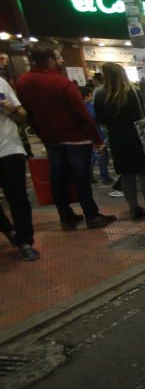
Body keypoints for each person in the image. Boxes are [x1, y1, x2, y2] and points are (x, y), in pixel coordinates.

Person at [15, 46, 115, 230]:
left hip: (50, 138)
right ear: (51, 60)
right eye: (59, 58)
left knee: (58, 177)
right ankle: (91, 215)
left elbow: (28, 113)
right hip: (75, 137)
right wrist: (97, 139)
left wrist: (41, 133)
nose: (62, 61)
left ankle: (66, 215)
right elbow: (81, 113)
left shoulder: (22, 82)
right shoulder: (61, 83)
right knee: (81, 177)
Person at [93, 63, 145, 221]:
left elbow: (100, 119)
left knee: (127, 175)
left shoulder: (100, 95)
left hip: (117, 138)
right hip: (138, 136)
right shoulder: (134, 92)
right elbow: (144, 114)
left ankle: (133, 208)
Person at [0, 76, 39, 261]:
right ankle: (10, 231)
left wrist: (13, 110)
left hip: (9, 149)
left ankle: (25, 241)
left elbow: (22, 115)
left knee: (18, 197)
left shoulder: (0, 83)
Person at [80, 86, 112, 185]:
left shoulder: (77, 107)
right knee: (101, 156)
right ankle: (105, 177)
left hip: (84, 136)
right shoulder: (91, 107)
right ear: (87, 96)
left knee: (89, 158)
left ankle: (89, 177)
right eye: (91, 95)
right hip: (97, 134)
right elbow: (99, 120)